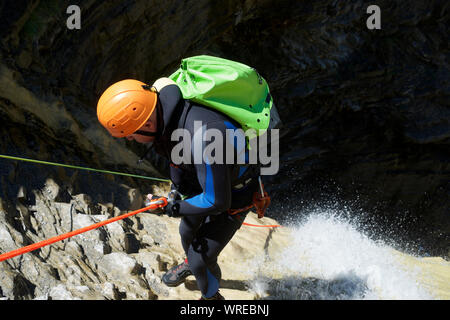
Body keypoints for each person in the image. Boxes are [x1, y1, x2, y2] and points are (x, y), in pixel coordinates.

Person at [97, 77, 265, 300]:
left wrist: (172, 208)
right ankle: (192, 265)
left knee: (199, 257)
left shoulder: (205, 138)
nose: (130, 138)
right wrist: (174, 193)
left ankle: (211, 298)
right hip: (203, 180)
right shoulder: (163, 112)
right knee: (186, 232)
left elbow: (217, 202)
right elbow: (177, 159)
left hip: (234, 194)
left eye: (131, 133)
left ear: (146, 123)